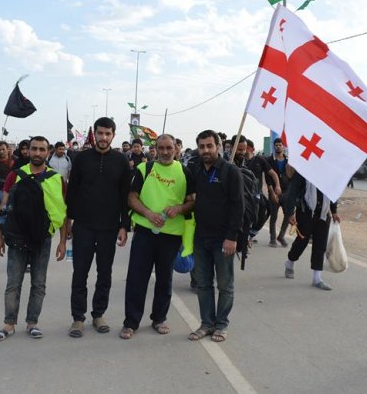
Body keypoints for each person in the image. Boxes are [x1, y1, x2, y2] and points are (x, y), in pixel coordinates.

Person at [0, 136, 68, 340]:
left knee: (39, 283)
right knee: (13, 283)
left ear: (48, 152)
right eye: (34, 149)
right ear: (28, 151)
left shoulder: (56, 179)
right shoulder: (15, 176)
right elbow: (4, 208)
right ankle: (9, 324)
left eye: (42, 149)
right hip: (17, 238)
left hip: (43, 238)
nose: (37, 153)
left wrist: (62, 241)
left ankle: (32, 322)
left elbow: (62, 211)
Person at [120, 134, 194, 339]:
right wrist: (148, 213)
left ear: (176, 149)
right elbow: (131, 197)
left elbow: (192, 201)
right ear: (155, 149)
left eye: (169, 147)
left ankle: (159, 319)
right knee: (137, 278)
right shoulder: (145, 169)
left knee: (164, 279)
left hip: (171, 235)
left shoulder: (185, 172)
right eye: (161, 148)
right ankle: (131, 323)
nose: (165, 152)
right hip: (144, 232)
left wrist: (179, 208)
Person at [66, 117, 130, 338]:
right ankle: (78, 318)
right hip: (83, 226)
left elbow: (124, 196)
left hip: (109, 227)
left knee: (105, 273)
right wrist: (68, 224)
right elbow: (72, 192)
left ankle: (98, 314)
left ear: (113, 135)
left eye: (108, 134)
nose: (103, 138)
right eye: (100, 133)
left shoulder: (121, 161)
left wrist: (124, 226)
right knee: (80, 273)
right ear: (95, 134)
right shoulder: (81, 158)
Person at [187, 130, 243, 343]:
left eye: (209, 146)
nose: (206, 150)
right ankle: (206, 324)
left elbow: (238, 206)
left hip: (223, 239)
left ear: (218, 147)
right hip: (201, 237)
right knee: (203, 284)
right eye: (202, 146)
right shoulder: (196, 170)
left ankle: (221, 325)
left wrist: (232, 237)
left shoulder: (230, 171)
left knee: (225, 285)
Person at [284, 169, 340, 291]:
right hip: (306, 211)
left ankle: (317, 278)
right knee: (302, 241)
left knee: (320, 244)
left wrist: (334, 211)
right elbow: (292, 192)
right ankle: (290, 262)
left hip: (323, 214)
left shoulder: (329, 173)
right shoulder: (304, 171)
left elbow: (332, 192)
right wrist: (289, 213)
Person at [235, 137, 280, 245]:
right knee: (247, 216)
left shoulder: (259, 160)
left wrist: (277, 186)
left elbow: (272, 173)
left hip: (257, 194)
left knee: (266, 209)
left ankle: (251, 233)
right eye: (241, 149)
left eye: (245, 149)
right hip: (243, 195)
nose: (244, 151)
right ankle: (243, 237)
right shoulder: (239, 162)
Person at [266, 138, 290, 247]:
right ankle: (272, 239)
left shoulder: (288, 161)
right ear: (273, 146)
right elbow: (268, 178)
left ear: (283, 146)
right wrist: (272, 192)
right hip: (274, 192)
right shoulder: (269, 160)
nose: (278, 147)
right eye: (276, 145)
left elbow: (291, 177)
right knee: (274, 216)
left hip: (286, 193)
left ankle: (281, 236)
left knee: (288, 215)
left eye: (280, 145)